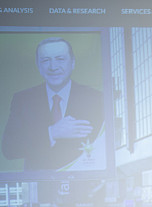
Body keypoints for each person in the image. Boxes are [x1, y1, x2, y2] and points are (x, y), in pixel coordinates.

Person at [1, 37, 103, 170]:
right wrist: (51, 133)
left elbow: (104, 146)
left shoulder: (95, 98)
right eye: (45, 60)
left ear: (72, 63)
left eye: (60, 59)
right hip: (39, 185)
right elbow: (9, 149)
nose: (53, 67)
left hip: (85, 185)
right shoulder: (23, 100)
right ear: (38, 65)